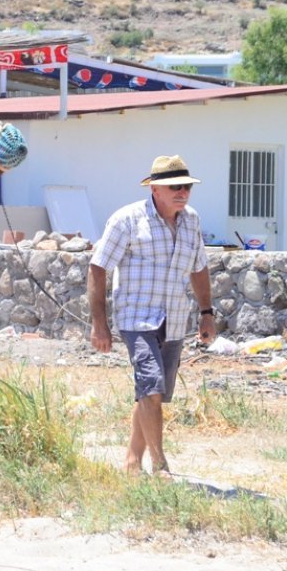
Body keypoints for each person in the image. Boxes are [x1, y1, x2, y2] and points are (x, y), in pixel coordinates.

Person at [88, 155, 216, 476]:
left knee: (151, 392)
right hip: (136, 319)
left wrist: (206, 313)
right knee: (151, 388)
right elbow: (98, 266)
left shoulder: (192, 221)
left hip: (173, 320)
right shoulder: (127, 220)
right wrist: (99, 324)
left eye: (187, 186)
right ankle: (160, 466)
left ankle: (132, 461)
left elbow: (199, 269)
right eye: (175, 186)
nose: (183, 192)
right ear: (155, 188)